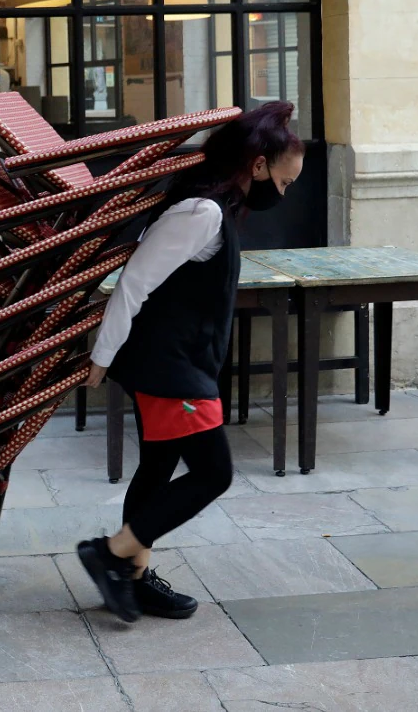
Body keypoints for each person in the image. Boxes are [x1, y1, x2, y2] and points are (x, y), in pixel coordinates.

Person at [76, 101, 305, 623]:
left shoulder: (217, 208)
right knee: (213, 474)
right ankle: (110, 556)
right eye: (286, 182)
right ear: (258, 165)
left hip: (181, 363)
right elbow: (135, 283)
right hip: (168, 367)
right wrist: (102, 355)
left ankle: (133, 578)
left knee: (158, 468)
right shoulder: (201, 213)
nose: (284, 193)